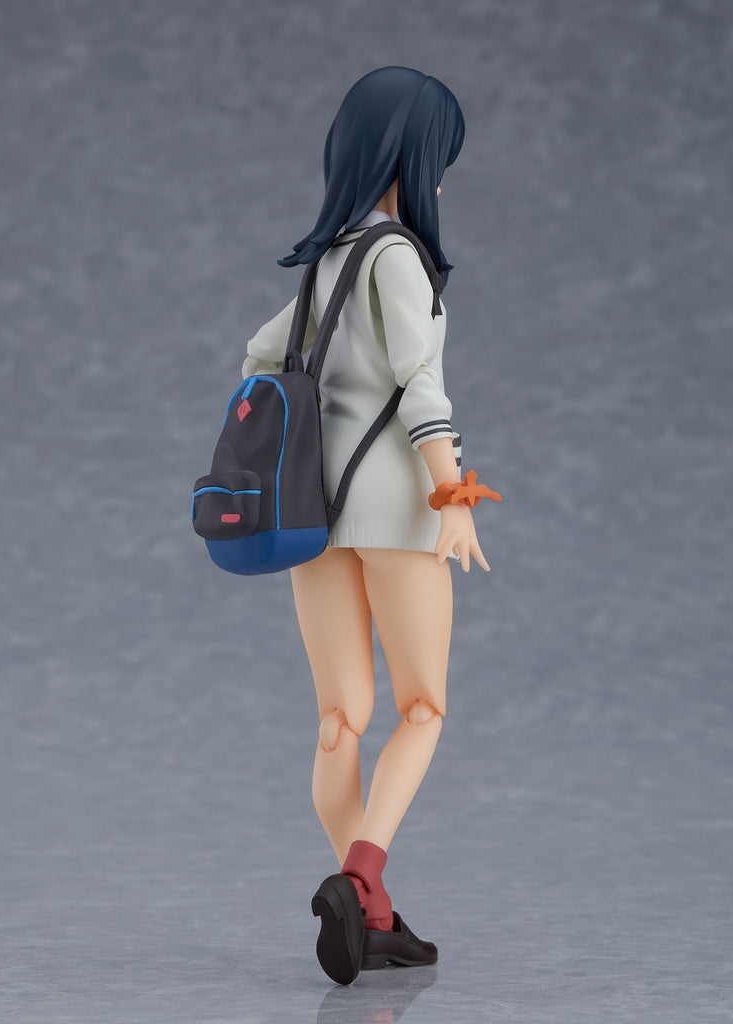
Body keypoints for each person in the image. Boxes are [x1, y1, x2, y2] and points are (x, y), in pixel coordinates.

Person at [241, 66, 500, 985]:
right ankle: (361, 877)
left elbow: (260, 357)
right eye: (441, 156)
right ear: (413, 155)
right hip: (395, 511)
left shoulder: (324, 261)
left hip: (313, 515)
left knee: (337, 718)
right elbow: (420, 387)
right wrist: (452, 496)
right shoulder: (395, 255)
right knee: (422, 707)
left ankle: (371, 915)